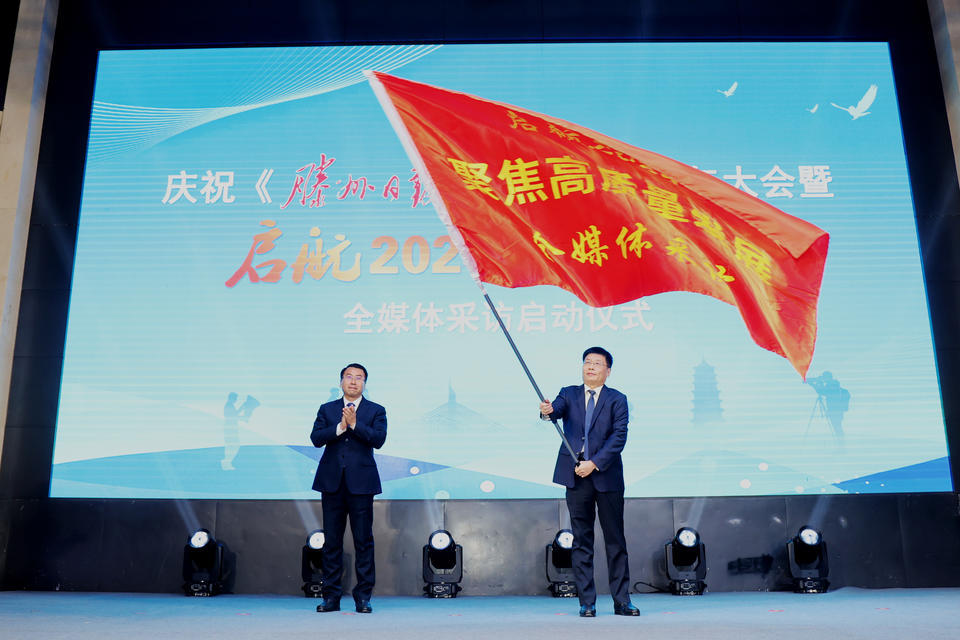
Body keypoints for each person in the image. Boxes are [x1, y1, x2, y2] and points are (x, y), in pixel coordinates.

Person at [539, 347, 639, 618]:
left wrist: (593, 463)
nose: (591, 366)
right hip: (575, 475)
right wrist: (547, 410)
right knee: (581, 540)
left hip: (606, 475)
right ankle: (587, 603)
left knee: (615, 540)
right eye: (587, 362)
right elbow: (554, 411)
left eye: (597, 363)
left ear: (608, 371)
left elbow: (619, 437)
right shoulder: (568, 393)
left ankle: (622, 602)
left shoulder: (617, 399)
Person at [310, 363, 387, 614]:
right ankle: (331, 597)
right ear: (341, 381)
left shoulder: (376, 410)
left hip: (362, 485)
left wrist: (354, 424)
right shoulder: (327, 409)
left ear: (365, 383)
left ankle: (363, 597)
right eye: (349, 377)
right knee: (331, 542)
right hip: (332, 483)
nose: (354, 381)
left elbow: (378, 439)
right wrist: (340, 427)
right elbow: (316, 438)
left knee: (363, 542)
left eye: (359, 378)